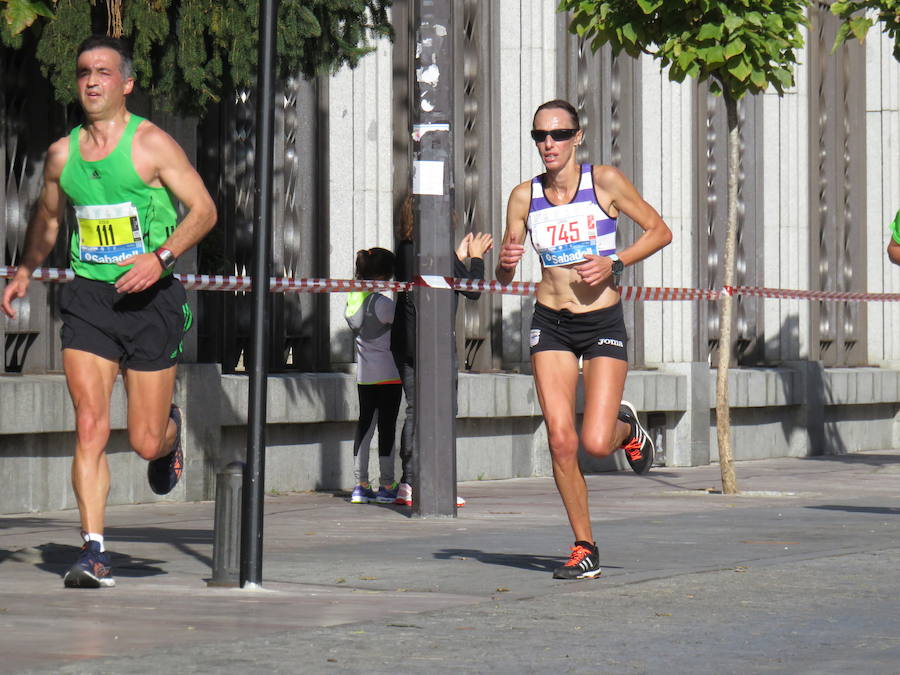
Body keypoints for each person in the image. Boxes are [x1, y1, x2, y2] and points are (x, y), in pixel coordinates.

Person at [1, 35, 216, 588]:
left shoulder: (151, 145)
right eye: (82, 72)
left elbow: (204, 210)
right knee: (91, 423)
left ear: (126, 84)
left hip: (152, 299)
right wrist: (25, 269)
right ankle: (93, 549)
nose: (91, 81)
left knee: (143, 439)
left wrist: (161, 256)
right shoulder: (62, 156)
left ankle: (170, 434)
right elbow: (49, 220)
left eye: (102, 72)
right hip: (92, 300)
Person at [495, 99, 671, 580]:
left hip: (600, 323)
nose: (547, 144)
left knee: (595, 442)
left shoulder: (605, 182)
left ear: (577, 137)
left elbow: (660, 231)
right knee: (560, 440)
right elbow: (506, 269)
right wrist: (507, 262)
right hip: (550, 321)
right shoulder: (522, 196)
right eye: (539, 136)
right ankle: (584, 546)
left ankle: (626, 430)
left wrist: (615, 263)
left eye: (556, 134)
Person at [391, 195, 494, 508]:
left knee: (414, 409)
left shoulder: (407, 250)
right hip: (432, 343)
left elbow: (448, 278)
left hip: (405, 342)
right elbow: (472, 290)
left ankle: (408, 481)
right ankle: (433, 482)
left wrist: (457, 258)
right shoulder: (435, 251)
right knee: (442, 410)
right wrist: (474, 258)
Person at [345, 247, 402, 504]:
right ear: (384, 276)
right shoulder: (384, 304)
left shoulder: (354, 300)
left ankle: (360, 484)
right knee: (387, 428)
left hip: (365, 375)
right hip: (389, 374)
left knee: (365, 427)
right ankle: (387, 484)